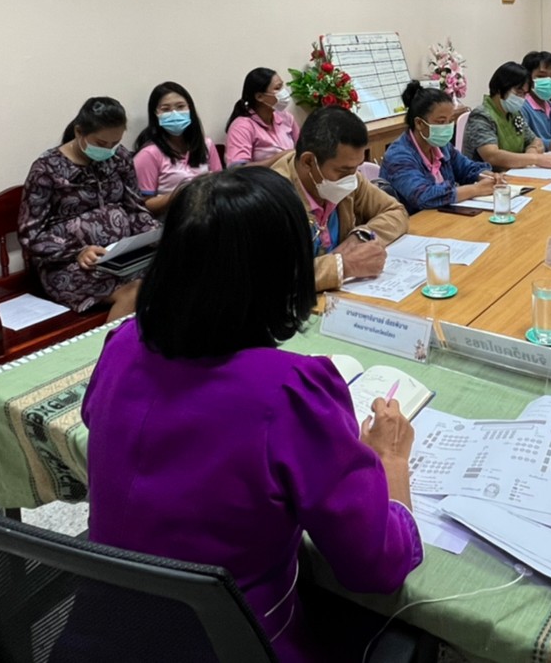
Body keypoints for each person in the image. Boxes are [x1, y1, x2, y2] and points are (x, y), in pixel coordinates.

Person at [80, 168, 422, 662]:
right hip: (240, 645)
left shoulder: (122, 344)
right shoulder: (290, 392)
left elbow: (105, 424)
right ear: (284, 272)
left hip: (109, 633)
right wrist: (390, 461)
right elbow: (376, 567)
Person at [19, 97, 156, 320]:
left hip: (121, 257)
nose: (109, 150)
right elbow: (30, 235)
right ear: (79, 132)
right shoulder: (47, 169)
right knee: (134, 291)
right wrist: (77, 251)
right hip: (69, 266)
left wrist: (153, 233)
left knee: (176, 271)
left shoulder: (119, 157)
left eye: (115, 143)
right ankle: (110, 352)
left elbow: (134, 207)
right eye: (102, 144)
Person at [274, 107, 408, 291]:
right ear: (308, 162)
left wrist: (360, 237)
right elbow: (273, 278)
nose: (352, 178)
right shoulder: (271, 198)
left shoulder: (349, 179)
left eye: (356, 168)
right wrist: (343, 266)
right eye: (344, 171)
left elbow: (396, 211)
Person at [380, 80, 498, 213]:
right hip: (413, 225)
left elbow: (466, 168)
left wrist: (487, 176)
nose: (448, 126)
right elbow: (423, 196)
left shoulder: (441, 146)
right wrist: (476, 189)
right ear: (419, 123)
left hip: (443, 217)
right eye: (441, 122)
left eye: (450, 121)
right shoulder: (398, 156)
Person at [132, 81, 222, 213]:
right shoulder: (148, 154)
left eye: (180, 107)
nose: (174, 113)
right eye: (165, 109)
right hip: (173, 221)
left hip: (209, 215)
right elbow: (144, 205)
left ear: (190, 109)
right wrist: (183, 192)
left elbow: (221, 183)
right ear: (155, 113)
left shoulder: (206, 145)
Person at [462, 61, 551, 171]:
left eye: (524, 94)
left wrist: (530, 155)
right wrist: (535, 158)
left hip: (515, 174)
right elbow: (492, 156)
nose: (521, 98)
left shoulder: (515, 114)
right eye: (518, 92)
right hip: (487, 179)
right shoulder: (481, 115)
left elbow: (536, 141)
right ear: (500, 88)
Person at [225, 67, 298, 167]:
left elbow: (302, 152)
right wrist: (281, 158)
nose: (283, 92)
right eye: (277, 88)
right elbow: (237, 169)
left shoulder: (287, 118)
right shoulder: (242, 126)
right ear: (259, 97)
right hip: (259, 182)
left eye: (282, 87)